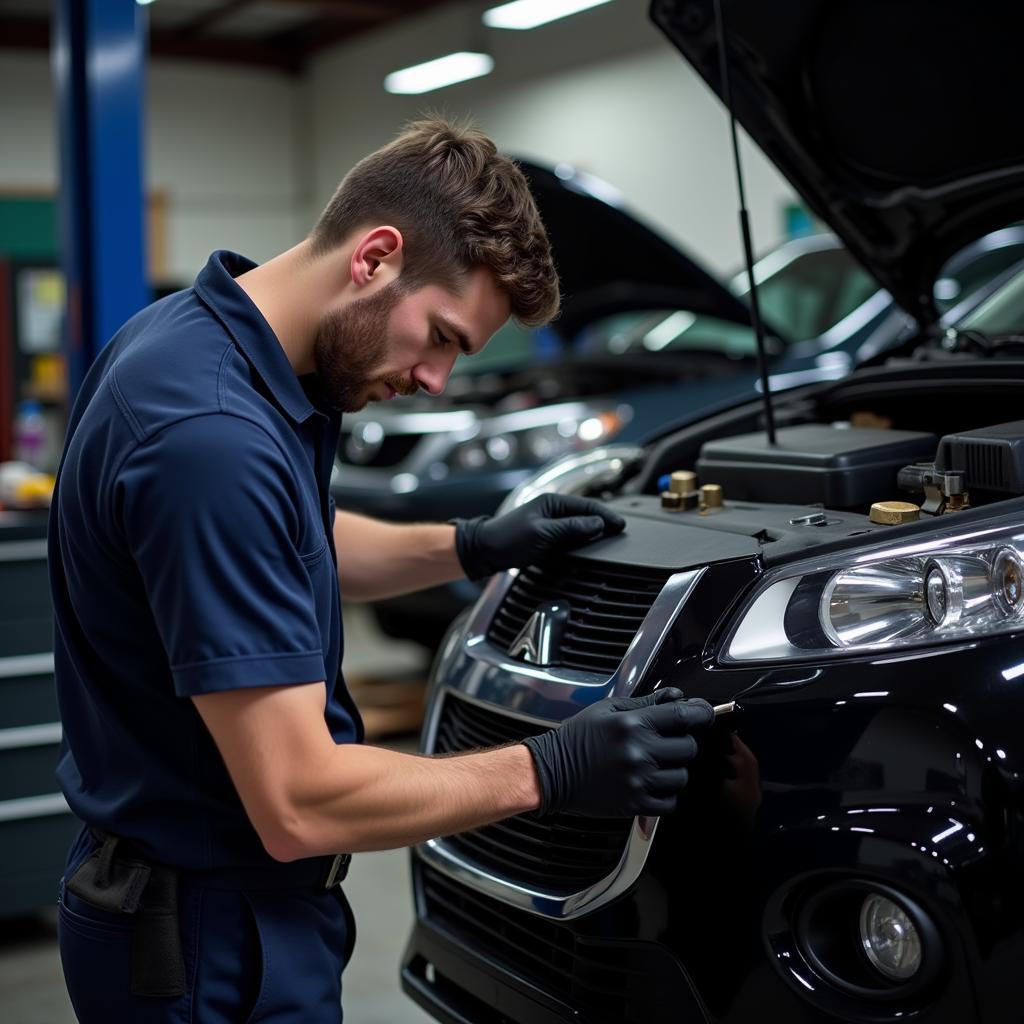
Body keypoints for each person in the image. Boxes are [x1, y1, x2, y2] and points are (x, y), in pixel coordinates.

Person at [49, 117, 712, 1022]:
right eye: (441, 335)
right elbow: (299, 800)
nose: (438, 377)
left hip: (208, 903)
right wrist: (548, 768)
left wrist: (474, 543)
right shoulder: (210, 441)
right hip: (207, 939)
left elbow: (297, 537)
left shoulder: (196, 340)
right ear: (375, 257)